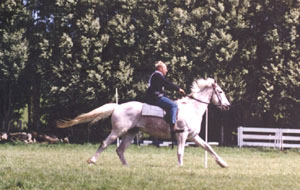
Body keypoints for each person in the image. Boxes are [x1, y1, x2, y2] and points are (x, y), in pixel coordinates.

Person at [146, 61, 186, 134]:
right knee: (174, 105)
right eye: (165, 68)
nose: (167, 71)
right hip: (156, 98)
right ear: (160, 68)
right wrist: (178, 89)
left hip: (155, 96)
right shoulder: (157, 75)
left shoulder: (156, 76)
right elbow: (167, 84)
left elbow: (164, 87)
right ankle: (173, 126)